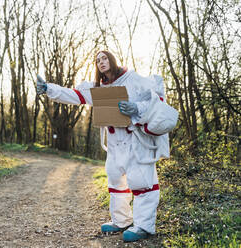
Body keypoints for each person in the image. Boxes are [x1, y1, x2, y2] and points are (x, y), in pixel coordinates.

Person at [36, 50, 177, 242]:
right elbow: (74, 95)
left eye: (104, 58)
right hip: (114, 143)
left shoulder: (133, 79)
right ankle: (121, 220)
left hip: (135, 140)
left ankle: (144, 225)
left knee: (141, 181)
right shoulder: (98, 88)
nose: (101, 62)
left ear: (111, 59)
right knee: (116, 181)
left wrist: (136, 108)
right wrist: (48, 89)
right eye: (97, 60)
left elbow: (155, 99)